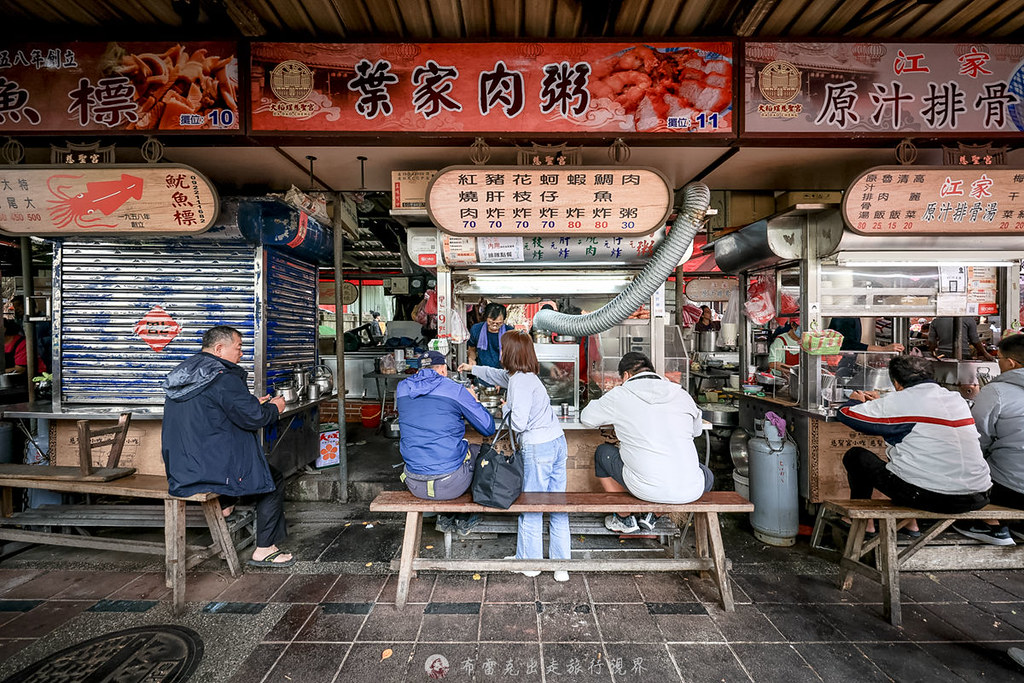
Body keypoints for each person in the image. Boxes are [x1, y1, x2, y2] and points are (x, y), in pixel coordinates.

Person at [161, 325, 293, 567]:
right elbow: (255, 418)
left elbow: (213, 412)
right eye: (239, 348)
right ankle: (266, 548)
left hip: (181, 469)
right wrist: (275, 407)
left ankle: (225, 506)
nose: (241, 354)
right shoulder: (222, 376)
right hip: (210, 470)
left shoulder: (185, 372)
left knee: (240, 465)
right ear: (219, 349)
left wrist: (251, 403)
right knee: (271, 479)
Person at [836, 355, 992, 536]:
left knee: (857, 456)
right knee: (907, 458)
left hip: (932, 496)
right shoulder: (955, 399)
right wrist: (885, 401)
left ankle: (862, 521)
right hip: (980, 494)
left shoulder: (898, 402)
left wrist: (855, 400)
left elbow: (847, 415)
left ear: (896, 382)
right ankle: (910, 523)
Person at [460, 330, 570, 582]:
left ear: (509, 352)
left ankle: (530, 563)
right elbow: (496, 374)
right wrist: (473, 368)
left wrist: (505, 406)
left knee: (531, 506)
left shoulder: (520, 382)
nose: (499, 352)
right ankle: (561, 565)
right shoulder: (525, 377)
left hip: (539, 447)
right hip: (556, 442)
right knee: (558, 506)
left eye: (502, 348)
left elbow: (518, 423)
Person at [579, 351, 713, 533]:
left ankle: (623, 518)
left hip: (644, 488)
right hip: (690, 490)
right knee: (706, 474)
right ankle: (654, 514)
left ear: (626, 376)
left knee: (603, 453)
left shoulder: (620, 394)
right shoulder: (682, 395)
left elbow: (587, 417)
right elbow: (696, 431)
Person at [396, 350, 496, 536]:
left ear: (419, 370)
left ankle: (446, 515)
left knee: (447, 454)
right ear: (443, 369)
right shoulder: (454, 389)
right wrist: (473, 400)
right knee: (479, 452)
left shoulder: (402, 389)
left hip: (414, 483)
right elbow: (488, 428)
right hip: (449, 486)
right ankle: (465, 517)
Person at [963, 333, 1024, 545]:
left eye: (999, 360)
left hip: (1013, 491)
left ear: (1010, 362)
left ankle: (989, 526)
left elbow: (976, 440)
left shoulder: (997, 392)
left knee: (961, 465)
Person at [928, 316, 995, 360]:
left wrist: (932, 354)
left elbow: (931, 342)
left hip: (942, 355)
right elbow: (975, 340)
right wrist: (985, 354)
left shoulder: (936, 321)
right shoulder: (969, 319)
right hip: (963, 354)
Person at [467, 303, 510, 371]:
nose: (495, 325)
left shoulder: (510, 332)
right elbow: (472, 348)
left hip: (503, 373)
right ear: (486, 318)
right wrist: (471, 359)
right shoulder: (476, 329)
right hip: (482, 372)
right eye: (491, 322)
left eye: (499, 323)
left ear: (504, 320)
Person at [827, 317, 904, 353]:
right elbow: (845, 344)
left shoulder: (853, 317)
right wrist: (883, 349)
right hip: (837, 366)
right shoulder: (845, 317)